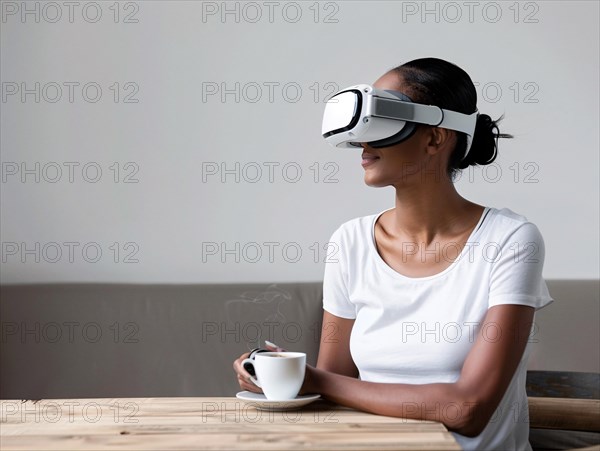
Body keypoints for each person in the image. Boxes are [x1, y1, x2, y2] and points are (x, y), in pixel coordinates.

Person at [233, 57, 553, 451]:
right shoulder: (349, 242)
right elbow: (334, 386)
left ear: (435, 138)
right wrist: (278, 373)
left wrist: (312, 378)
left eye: (382, 116)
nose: (362, 142)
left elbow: (468, 410)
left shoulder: (510, 240)